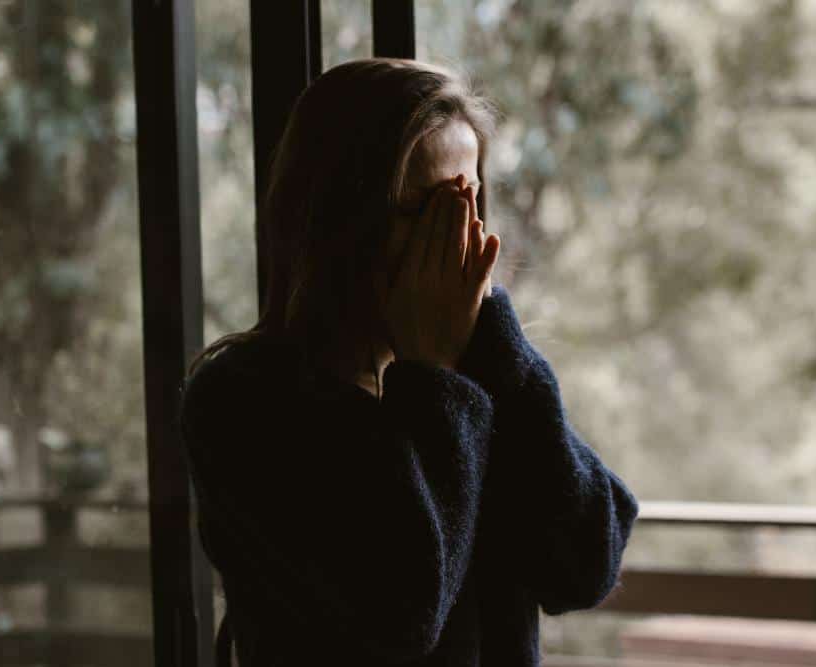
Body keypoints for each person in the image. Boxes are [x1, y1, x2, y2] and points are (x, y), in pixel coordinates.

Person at [179, 57, 640, 667]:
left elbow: (587, 562)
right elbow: (400, 608)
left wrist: (497, 349)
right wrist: (435, 377)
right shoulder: (242, 402)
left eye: (467, 203)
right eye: (424, 210)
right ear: (337, 217)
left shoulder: (485, 381)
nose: (455, 237)